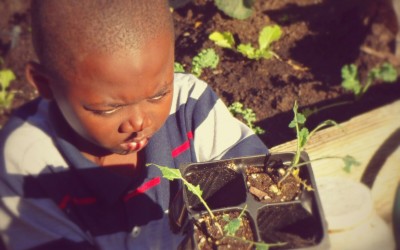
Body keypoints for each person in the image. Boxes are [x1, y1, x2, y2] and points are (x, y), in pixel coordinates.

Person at [0, 0, 268, 249]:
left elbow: (260, 192)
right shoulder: (28, 164)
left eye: (158, 94)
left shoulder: (190, 107)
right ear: (46, 84)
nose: (139, 121)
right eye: (108, 108)